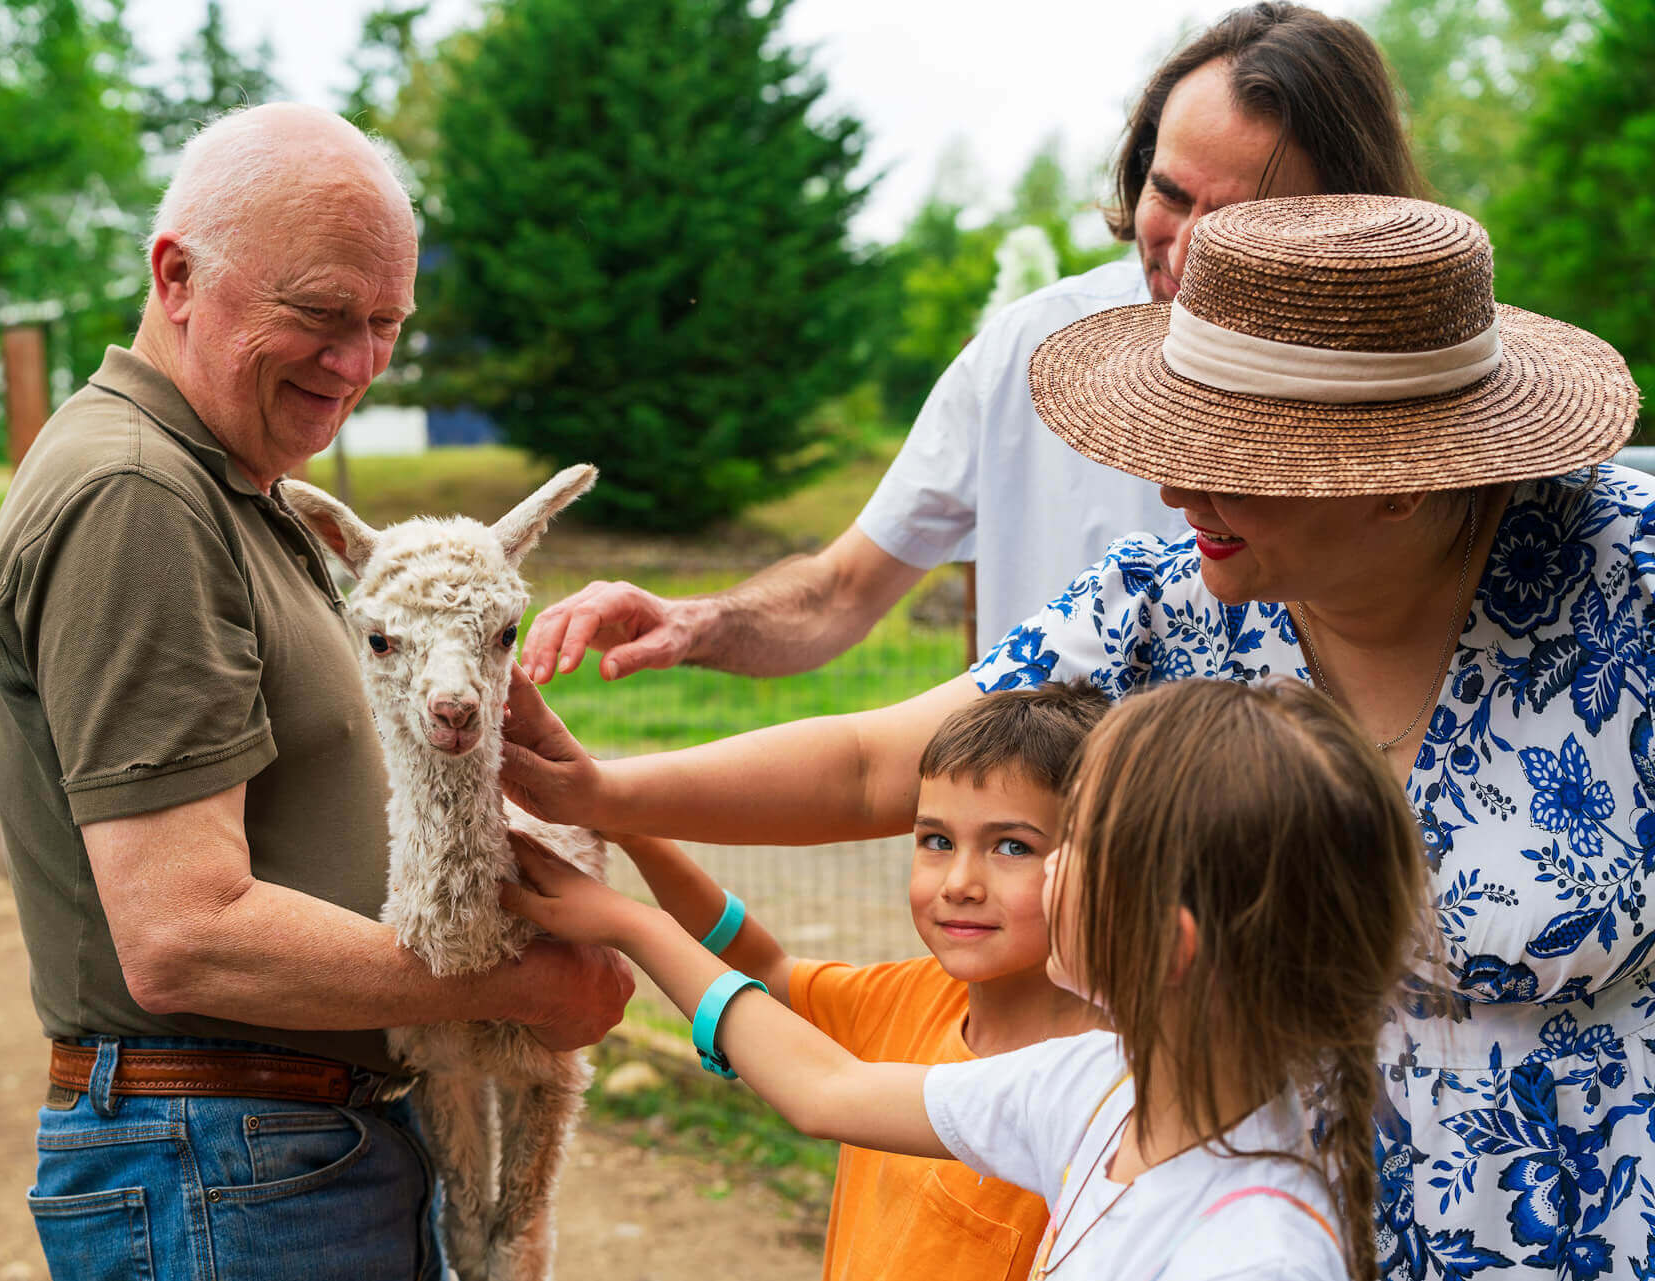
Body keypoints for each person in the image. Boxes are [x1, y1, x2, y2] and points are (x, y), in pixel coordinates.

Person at [499, 192, 1646, 1272]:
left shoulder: (1628, 584)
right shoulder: (1166, 600)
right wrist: (601, 795)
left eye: (1229, 467)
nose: (1176, 495)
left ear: (1397, 480)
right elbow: (873, 767)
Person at [0, 103, 631, 1281]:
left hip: (283, 1149)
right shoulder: (139, 499)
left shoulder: (237, 493)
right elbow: (186, 935)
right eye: (322, 314)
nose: (359, 362)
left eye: (386, 323)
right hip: (225, 1163)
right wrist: (534, 985)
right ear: (177, 276)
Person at [519, 1, 1422, 681]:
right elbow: (842, 591)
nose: (1181, 252)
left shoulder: (1423, 407)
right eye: (1169, 195)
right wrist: (695, 622)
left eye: (1235, 222)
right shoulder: (1028, 352)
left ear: (1340, 218)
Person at [506, 678, 1431, 1280]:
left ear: (1171, 943)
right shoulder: (1100, 1093)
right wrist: (628, 888)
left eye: (1076, 848)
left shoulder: (1254, 1254)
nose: (980, 875)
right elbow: (825, 1086)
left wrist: (628, 920)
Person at [609, 683, 1106, 1279]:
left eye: (1011, 846)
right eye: (938, 841)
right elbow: (762, 969)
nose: (959, 883)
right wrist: (637, 836)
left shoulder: (1104, 1089)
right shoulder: (907, 997)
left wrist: (631, 926)